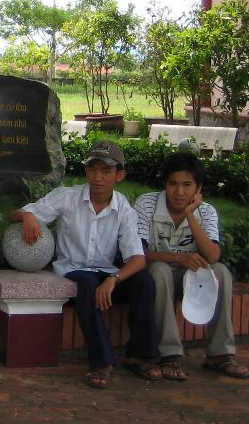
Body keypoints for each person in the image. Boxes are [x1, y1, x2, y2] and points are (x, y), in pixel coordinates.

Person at [11, 140, 160, 389]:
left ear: (119, 175)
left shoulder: (123, 207)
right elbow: (16, 213)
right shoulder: (67, 197)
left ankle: (140, 355)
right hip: (73, 273)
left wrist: (114, 279)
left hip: (106, 275)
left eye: (106, 171)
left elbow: (138, 259)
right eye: (93, 169)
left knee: (144, 281)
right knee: (86, 282)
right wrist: (27, 216)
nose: (98, 177)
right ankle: (102, 361)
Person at [133, 151, 249, 380]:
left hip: (193, 280)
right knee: (159, 270)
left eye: (187, 185)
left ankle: (220, 354)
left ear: (198, 188)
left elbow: (213, 256)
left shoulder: (206, 211)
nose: (179, 192)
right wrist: (179, 258)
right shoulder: (147, 204)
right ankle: (169, 354)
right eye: (173, 184)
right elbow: (139, 254)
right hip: (158, 278)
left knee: (221, 272)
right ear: (164, 184)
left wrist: (190, 214)